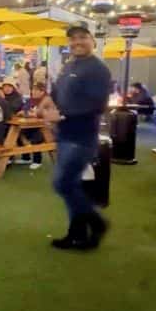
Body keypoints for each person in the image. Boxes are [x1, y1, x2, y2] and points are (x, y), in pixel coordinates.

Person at [50, 24, 111, 249]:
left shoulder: (98, 69)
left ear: (92, 40)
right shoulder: (70, 65)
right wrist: (48, 106)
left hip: (81, 137)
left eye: (82, 37)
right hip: (65, 135)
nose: (77, 42)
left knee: (62, 183)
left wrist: (61, 114)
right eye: (72, 39)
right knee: (71, 185)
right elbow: (58, 92)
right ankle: (77, 234)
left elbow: (98, 105)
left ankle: (97, 223)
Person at [25, 81, 58, 169]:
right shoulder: (31, 100)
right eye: (33, 90)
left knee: (36, 135)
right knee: (20, 132)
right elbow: (25, 110)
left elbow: (49, 115)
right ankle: (25, 157)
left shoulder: (47, 100)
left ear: (42, 92)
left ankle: (37, 161)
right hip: (35, 125)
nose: (33, 92)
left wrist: (36, 114)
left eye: (36, 90)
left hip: (49, 128)